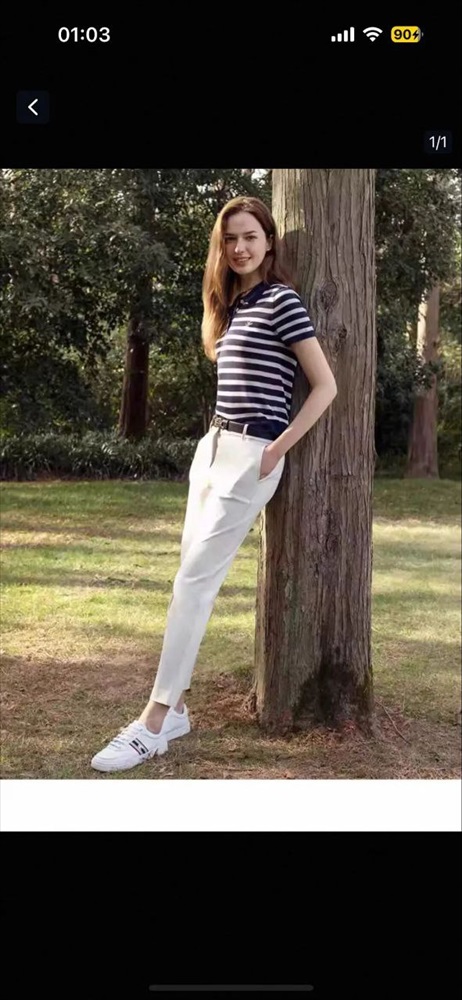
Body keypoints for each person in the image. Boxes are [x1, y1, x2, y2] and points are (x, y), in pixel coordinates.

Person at [91, 195, 337, 772]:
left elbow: (325, 386)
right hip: (213, 450)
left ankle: (153, 722)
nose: (240, 247)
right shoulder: (232, 306)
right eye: (231, 239)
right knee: (187, 581)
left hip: (253, 454)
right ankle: (176, 708)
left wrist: (276, 449)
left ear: (269, 241)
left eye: (250, 236)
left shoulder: (282, 301)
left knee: (193, 585)